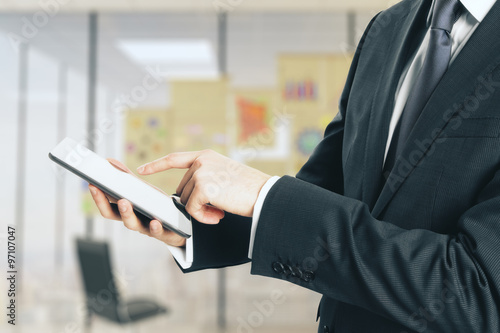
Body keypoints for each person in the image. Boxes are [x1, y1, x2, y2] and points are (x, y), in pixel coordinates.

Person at [89, 0, 500, 331]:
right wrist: (186, 224)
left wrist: (262, 193)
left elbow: (477, 290)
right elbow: (323, 191)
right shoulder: (386, 29)